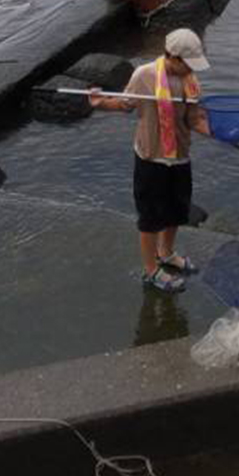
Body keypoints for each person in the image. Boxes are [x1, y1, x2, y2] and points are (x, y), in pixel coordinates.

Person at [90, 29, 211, 295]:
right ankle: (151, 270)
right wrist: (100, 103)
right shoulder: (144, 75)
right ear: (173, 57)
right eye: (188, 63)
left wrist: (220, 133)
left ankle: (166, 253)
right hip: (150, 157)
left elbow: (193, 120)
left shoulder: (191, 80)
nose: (191, 69)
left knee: (178, 210)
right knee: (150, 217)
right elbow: (125, 104)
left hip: (180, 157)